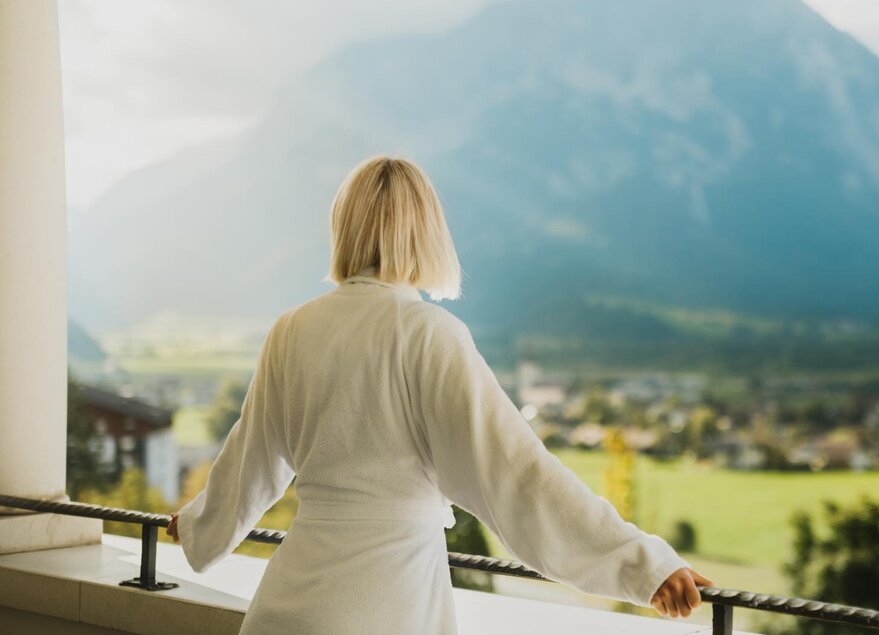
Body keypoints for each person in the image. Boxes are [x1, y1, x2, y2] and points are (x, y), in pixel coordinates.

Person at [167, 155, 714, 633]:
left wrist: (196, 526)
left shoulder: (292, 329)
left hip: (284, 609)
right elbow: (517, 475)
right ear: (426, 233)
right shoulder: (428, 333)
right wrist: (644, 566)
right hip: (386, 608)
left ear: (344, 227)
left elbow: (251, 459)